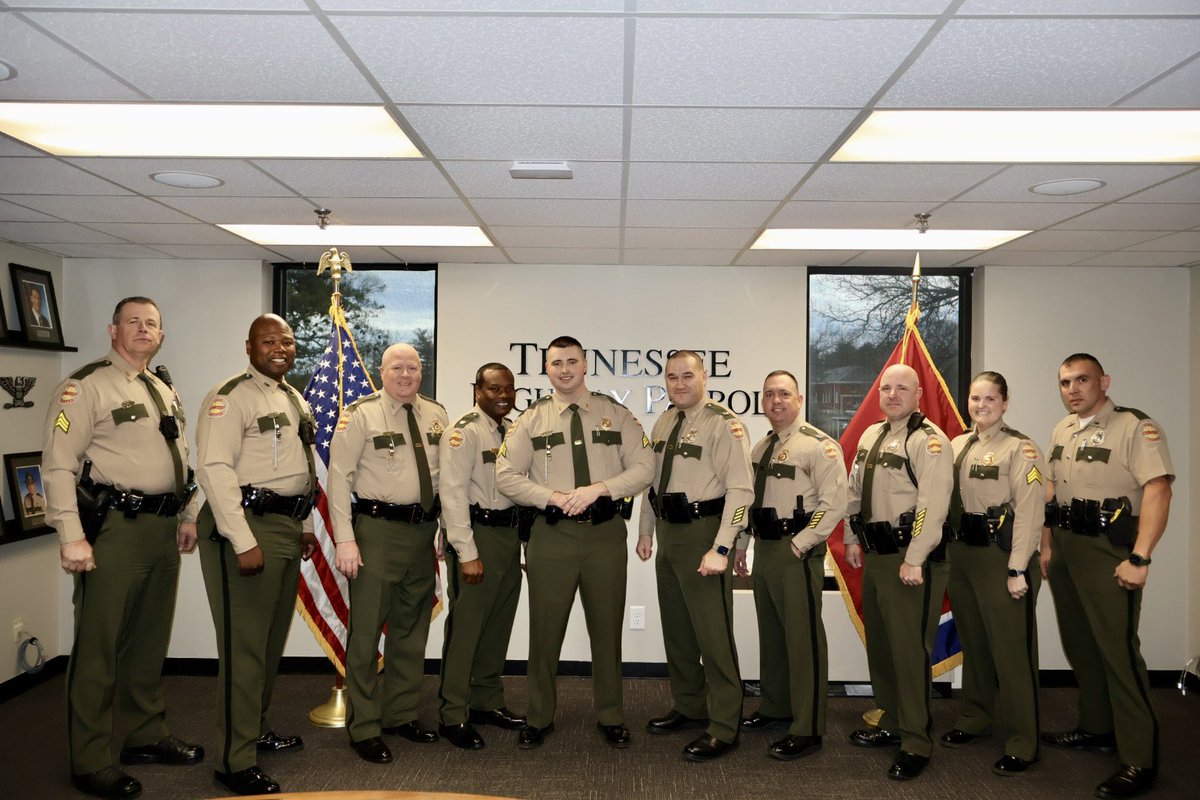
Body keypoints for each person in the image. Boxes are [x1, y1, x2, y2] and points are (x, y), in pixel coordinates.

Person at [43, 296, 203, 799]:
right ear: (113, 330)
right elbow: (57, 465)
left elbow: (177, 456)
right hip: (112, 531)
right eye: (132, 322)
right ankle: (89, 759)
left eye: (151, 323)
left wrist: (185, 514)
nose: (142, 329)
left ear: (161, 335)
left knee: (148, 641)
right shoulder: (85, 386)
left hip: (160, 529)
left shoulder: (161, 387)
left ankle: (146, 735)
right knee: (98, 647)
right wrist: (71, 536)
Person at [495, 336, 653, 750]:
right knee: (545, 632)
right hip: (551, 537)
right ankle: (539, 716)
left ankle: (611, 715)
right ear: (546, 369)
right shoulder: (531, 420)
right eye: (556, 363)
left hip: (604, 536)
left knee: (606, 629)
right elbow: (506, 476)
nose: (564, 369)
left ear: (585, 365)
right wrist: (551, 497)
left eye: (572, 362)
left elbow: (644, 468)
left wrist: (600, 487)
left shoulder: (615, 415)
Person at [1041, 354, 1173, 800]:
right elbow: (1052, 490)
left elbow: (1157, 488)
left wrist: (1141, 557)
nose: (1072, 389)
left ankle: (1140, 759)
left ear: (1104, 381)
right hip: (1066, 550)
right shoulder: (1063, 429)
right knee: (1081, 645)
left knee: (1118, 653)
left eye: (1082, 380)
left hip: (1108, 552)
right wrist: (1046, 546)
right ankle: (1096, 728)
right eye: (1065, 382)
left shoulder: (1135, 427)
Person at [196, 314, 318, 797]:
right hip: (247, 527)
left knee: (268, 646)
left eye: (287, 341)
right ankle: (233, 760)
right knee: (244, 649)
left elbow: (302, 468)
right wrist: (241, 538)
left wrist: (305, 525)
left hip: (286, 525)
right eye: (269, 340)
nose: (280, 348)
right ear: (249, 346)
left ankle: (255, 729)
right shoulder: (231, 397)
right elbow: (214, 467)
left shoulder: (292, 396)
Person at [329, 343, 448, 763]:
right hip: (376, 533)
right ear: (382, 371)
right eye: (396, 367)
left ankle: (399, 713)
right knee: (365, 635)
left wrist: (446, 529)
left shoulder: (436, 414)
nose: (405, 374)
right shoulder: (360, 415)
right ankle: (363, 726)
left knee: (411, 630)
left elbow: (445, 478)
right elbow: (339, 478)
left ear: (421, 372)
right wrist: (345, 539)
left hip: (422, 533)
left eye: (412, 368)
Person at [637, 350, 753, 762]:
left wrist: (722, 547)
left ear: (704, 376)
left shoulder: (725, 425)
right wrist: (647, 530)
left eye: (688, 375)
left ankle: (724, 725)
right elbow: (652, 482)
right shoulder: (665, 420)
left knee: (713, 634)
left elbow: (741, 492)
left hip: (705, 532)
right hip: (668, 533)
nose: (680, 383)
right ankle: (689, 704)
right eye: (672, 377)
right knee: (679, 629)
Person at [844, 363, 953, 781]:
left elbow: (932, 505)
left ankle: (916, 742)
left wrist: (916, 556)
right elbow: (855, 492)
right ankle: (891, 719)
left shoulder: (929, 442)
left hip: (911, 561)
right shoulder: (873, 435)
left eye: (901, 388)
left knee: (909, 652)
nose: (891, 395)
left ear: (919, 393)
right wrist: (853, 537)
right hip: (875, 557)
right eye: (886, 388)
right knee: (883, 646)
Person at [735, 370, 846, 761]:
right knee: (773, 636)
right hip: (765, 549)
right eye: (769, 395)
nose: (776, 401)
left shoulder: (820, 446)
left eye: (784, 393)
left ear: (798, 399)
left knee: (803, 640)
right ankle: (776, 706)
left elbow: (835, 503)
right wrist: (743, 544)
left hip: (797, 550)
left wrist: (803, 542)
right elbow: (749, 500)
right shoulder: (761, 446)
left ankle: (808, 728)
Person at [941, 371, 1044, 776]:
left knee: (1011, 652)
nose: (980, 406)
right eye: (974, 399)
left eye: (989, 399)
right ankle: (975, 717)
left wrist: (1018, 567)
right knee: (977, 643)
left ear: (1005, 402)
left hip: (1002, 559)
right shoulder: (956, 445)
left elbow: (1031, 512)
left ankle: (1024, 740)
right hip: (963, 556)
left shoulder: (1020, 449)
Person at [436, 363, 526, 750]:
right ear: (477, 389)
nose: (503, 395)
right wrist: (466, 552)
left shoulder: (513, 431)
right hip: (477, 537)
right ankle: (453, 712)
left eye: (508, 389)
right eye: (494, 389)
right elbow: (452, 494)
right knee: (468, 628)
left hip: (508, 537)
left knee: (498, 624)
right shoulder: (464, 432)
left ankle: (487, 701)